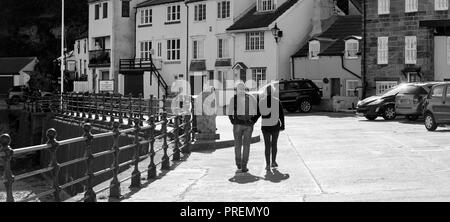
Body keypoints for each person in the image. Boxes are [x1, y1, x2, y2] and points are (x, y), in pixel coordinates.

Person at [228, 82, 260, 173]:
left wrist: (233, 121)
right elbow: (258, 111)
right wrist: (253, 121)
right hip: (249, 125)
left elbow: (230, 112)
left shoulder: (233, 99)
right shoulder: (251, 98)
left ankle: (238, 163)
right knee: (246, 146)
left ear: (236, 89)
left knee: (237, 145)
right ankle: (244, 165)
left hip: (237, 124)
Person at [259, 84, 285, 171]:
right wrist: (283, 125)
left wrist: (252, 121)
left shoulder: (262, 101)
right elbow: (281, 114)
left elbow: (258, 113)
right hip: (275, 126)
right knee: (274, 144)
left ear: (266, 92)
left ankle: (267, 164)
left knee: (267, 145)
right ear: (273, 92)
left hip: (265, 126)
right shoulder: (277, 101)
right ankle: (273, 162)